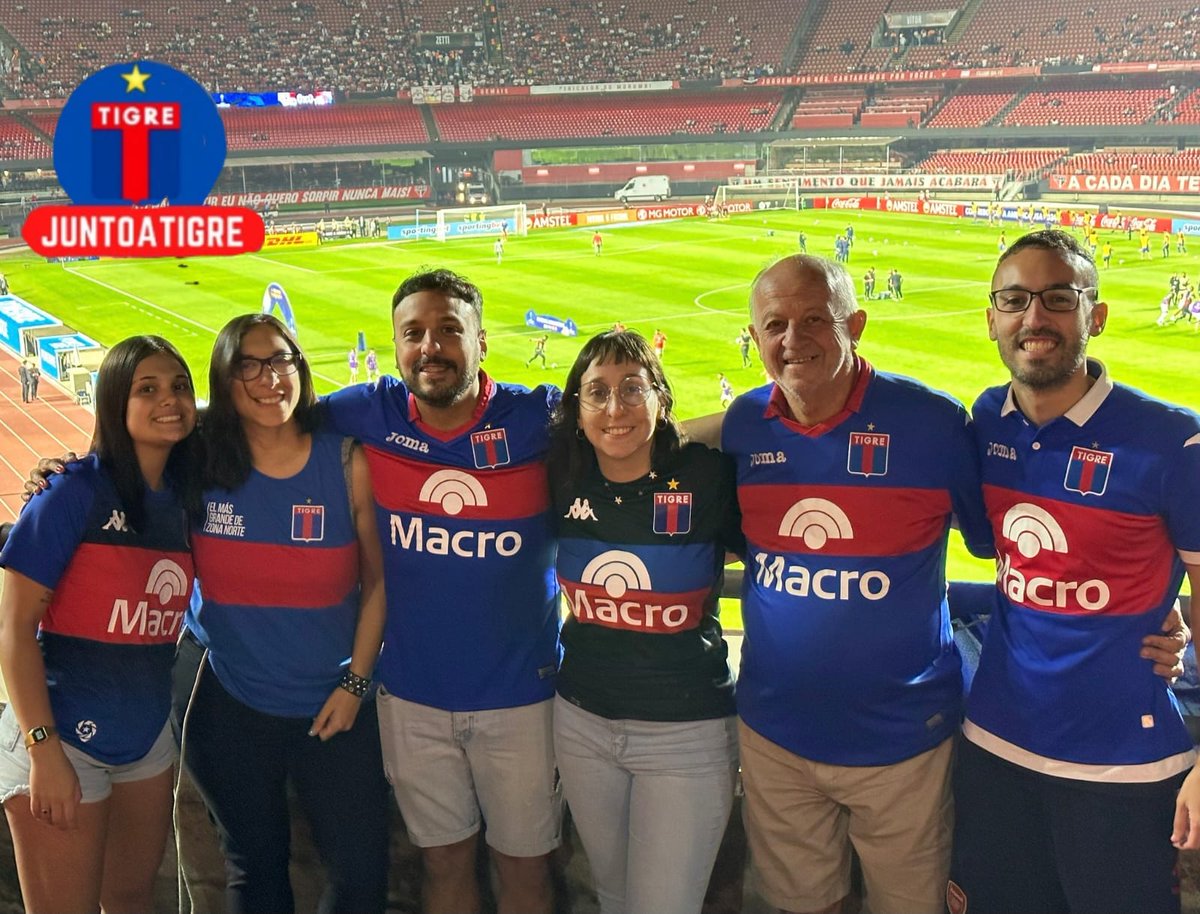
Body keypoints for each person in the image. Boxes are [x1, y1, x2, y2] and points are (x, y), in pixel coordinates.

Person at [682, 254, 1186, 914]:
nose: (792, 339)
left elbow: (1001, 542)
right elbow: (663, 441)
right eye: (774, 324)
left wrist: (1153, 605)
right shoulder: (749, 420)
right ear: (753, 339)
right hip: (776, 733)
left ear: (854, 325)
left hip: (907, 740)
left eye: (814, 320)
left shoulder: (935, 423)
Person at [948, 229, 1200, 914]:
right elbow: (1006, 564)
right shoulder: (986, 421)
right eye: (1016, 299)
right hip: (996, 746)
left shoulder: (1173, 441)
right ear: (992, 317)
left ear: (1096, 314)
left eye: (1059, 299)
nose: (1035, 318)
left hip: (1124, 763)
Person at [323, 269, 561, 914]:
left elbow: (644, 425)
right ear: (395, 346)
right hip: (411, 695)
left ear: (482, 342)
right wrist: (93, 460)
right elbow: (250, 422)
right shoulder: (365, 411)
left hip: (524, 698)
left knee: (526, 871)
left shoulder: (537, 417)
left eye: (450, 329)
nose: (431, 346)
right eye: (414, 333)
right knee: (443, 864)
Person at [176, 313, 391, 914]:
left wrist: (354, 684)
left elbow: (377, 585)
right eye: (249, 365)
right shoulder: (198, 463)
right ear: (225, 377)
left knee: (361, 877)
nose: (269, 379)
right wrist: (53, 476)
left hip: (337, 707)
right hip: (232, 707)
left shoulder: (347, 462)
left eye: (281, 361)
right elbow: (118, 468)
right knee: (255, 870)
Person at [0, 335, 197, 913]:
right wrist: (43, 752)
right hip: (61, 742)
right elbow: (12, 632)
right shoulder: (72, 492)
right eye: (148, 389)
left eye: (180, 386)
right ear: (115, 401)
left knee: (131, 901)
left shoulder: (188, 498)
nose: (170, 400)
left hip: (147, 741)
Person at [548, 330, 741, 914]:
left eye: (633, 388)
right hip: (581, 725)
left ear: (660, 396)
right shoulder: (558, 476)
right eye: (597, 393)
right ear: (576, 410)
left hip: (687, 734)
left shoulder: (706, 478)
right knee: (612, 897)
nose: (615, 408)